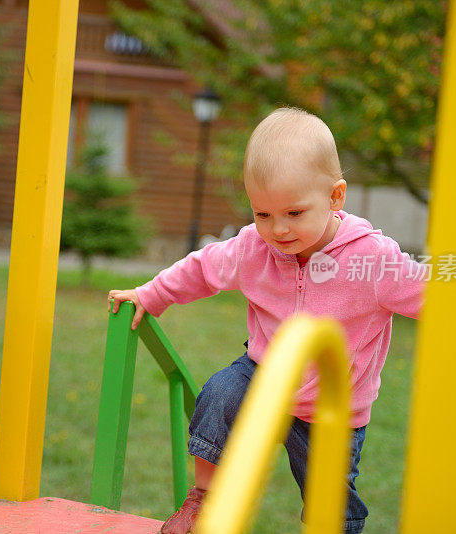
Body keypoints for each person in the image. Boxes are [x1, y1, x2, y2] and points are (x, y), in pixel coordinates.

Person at [107, 107, 428, 534]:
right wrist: (151, 295)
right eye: (262, 213)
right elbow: (202, 268)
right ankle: (204, 498)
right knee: (221, 392)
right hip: (264, 371)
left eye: (294, 213)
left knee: (329, 503)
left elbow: (437, 300)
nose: (277, 229)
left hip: (332, 409)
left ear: (336, 198)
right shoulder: (252, 248)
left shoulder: (372, 260)